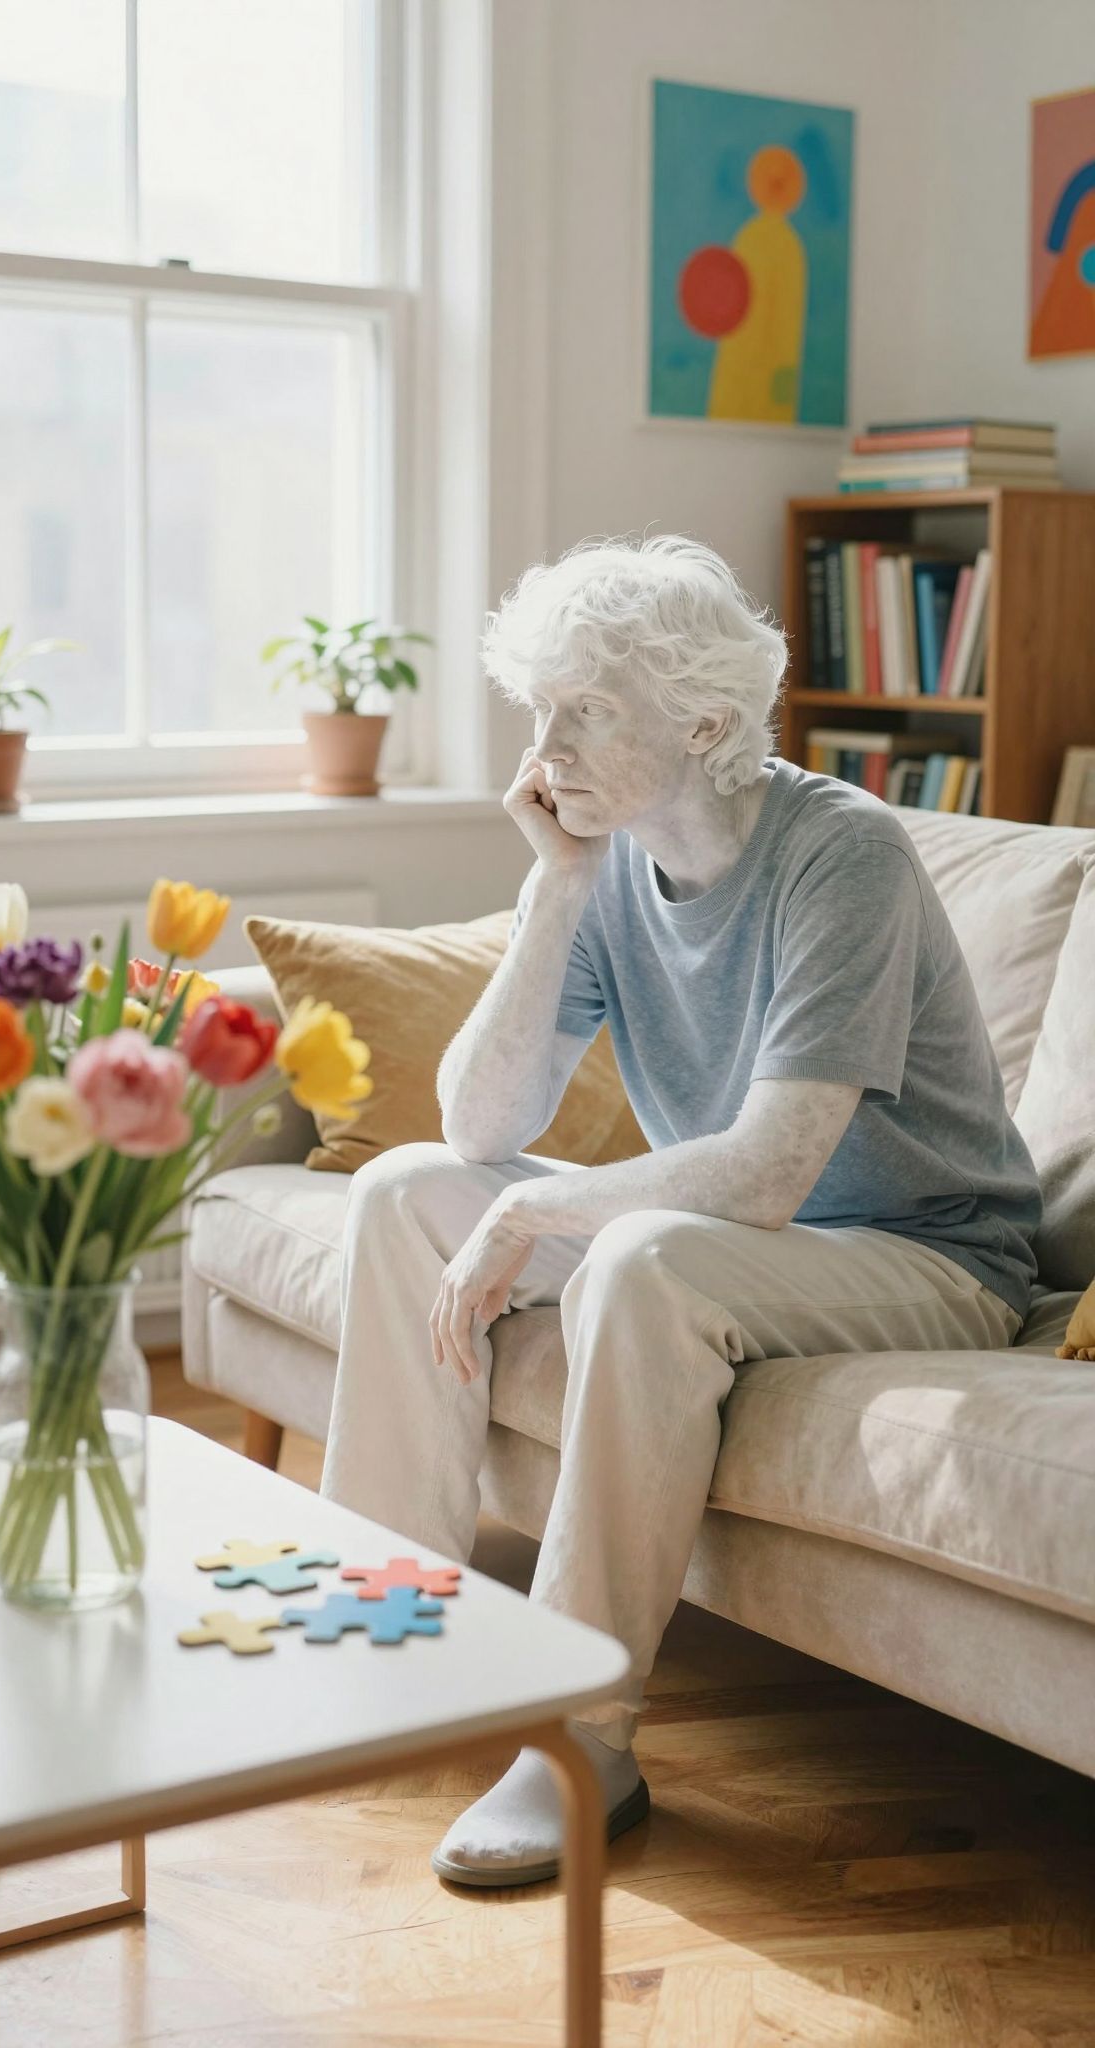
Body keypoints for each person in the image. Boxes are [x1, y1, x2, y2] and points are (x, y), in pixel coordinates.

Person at [320, 534, 1042, 1888]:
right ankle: (383, 1637)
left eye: (583, 709)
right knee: (405, 1190)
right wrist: (553, 885)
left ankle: (578, 1739)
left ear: (704, 721)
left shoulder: (846, 857)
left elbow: (770, 1168)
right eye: (543, 709)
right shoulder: (614, 860)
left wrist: (540, 1221)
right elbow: (479, 1126)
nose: (546, 746)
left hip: (924, 1250)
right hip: (746, 1243)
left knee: (637, 1259)